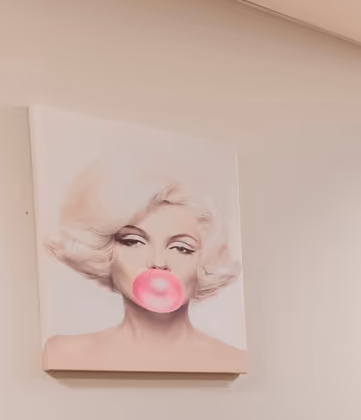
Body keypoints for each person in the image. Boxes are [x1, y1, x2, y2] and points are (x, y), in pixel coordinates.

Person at [42, 157, 245, 372]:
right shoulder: (64, 353)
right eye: (133, 242)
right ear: (106, 252)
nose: (158, 263)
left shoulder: (233, 360)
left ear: (205, 260)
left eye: (181, 248)